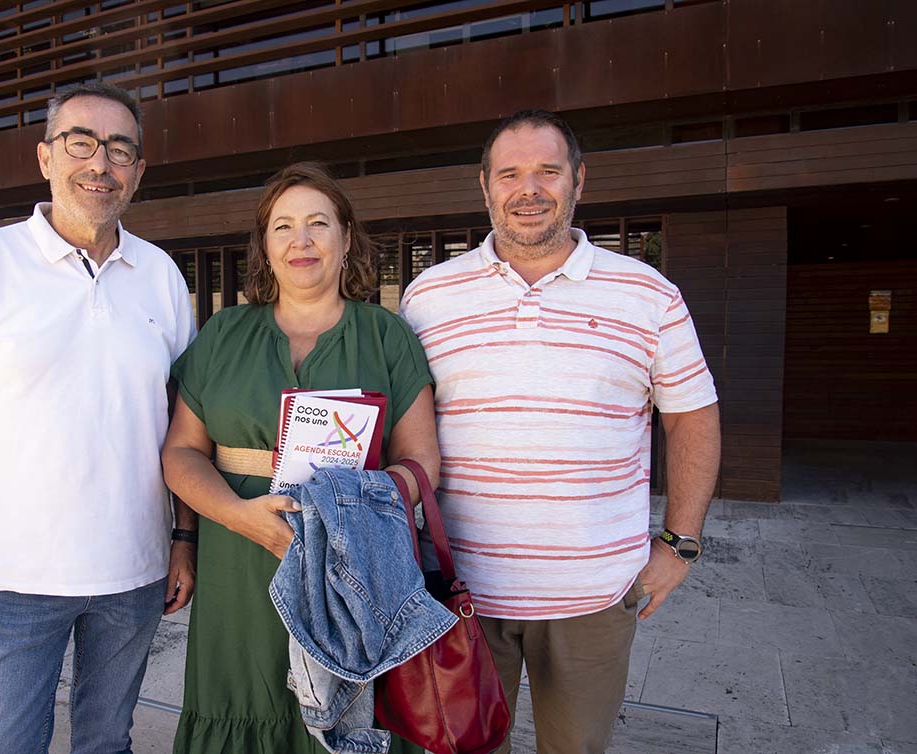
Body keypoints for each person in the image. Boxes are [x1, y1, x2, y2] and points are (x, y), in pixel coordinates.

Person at [399, 110, 722, 754]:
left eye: (548, 171)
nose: (529, 189)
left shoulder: (648, 293)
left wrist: (679, 544)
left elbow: (692, 416)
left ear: (579, 180)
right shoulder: (427, 297)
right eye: (510, 173)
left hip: (593, 596)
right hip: (456, 592)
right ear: (484, 186)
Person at [0, 82, 198, 754]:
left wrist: (185, 540)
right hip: (13, 581)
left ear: (138, 172)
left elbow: (186, 422)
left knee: (106, 742)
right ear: (45, 157)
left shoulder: (158, 275)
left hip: (136, 573)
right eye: (81, 142)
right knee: (4, 745)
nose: (101, 163)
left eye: (120, 149)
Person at [161, 162, 440, 754]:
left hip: (354, 563)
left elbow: (421, 463)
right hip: (238, 557)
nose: (302, 240)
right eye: (283, 226)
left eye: (319, 223)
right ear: (265, 245)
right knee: (242, 696)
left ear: (346, 238)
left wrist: (345, 518)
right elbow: (182, 452)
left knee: (346, 713)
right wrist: (237, 516)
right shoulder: (222, 335)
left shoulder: (388, 335)